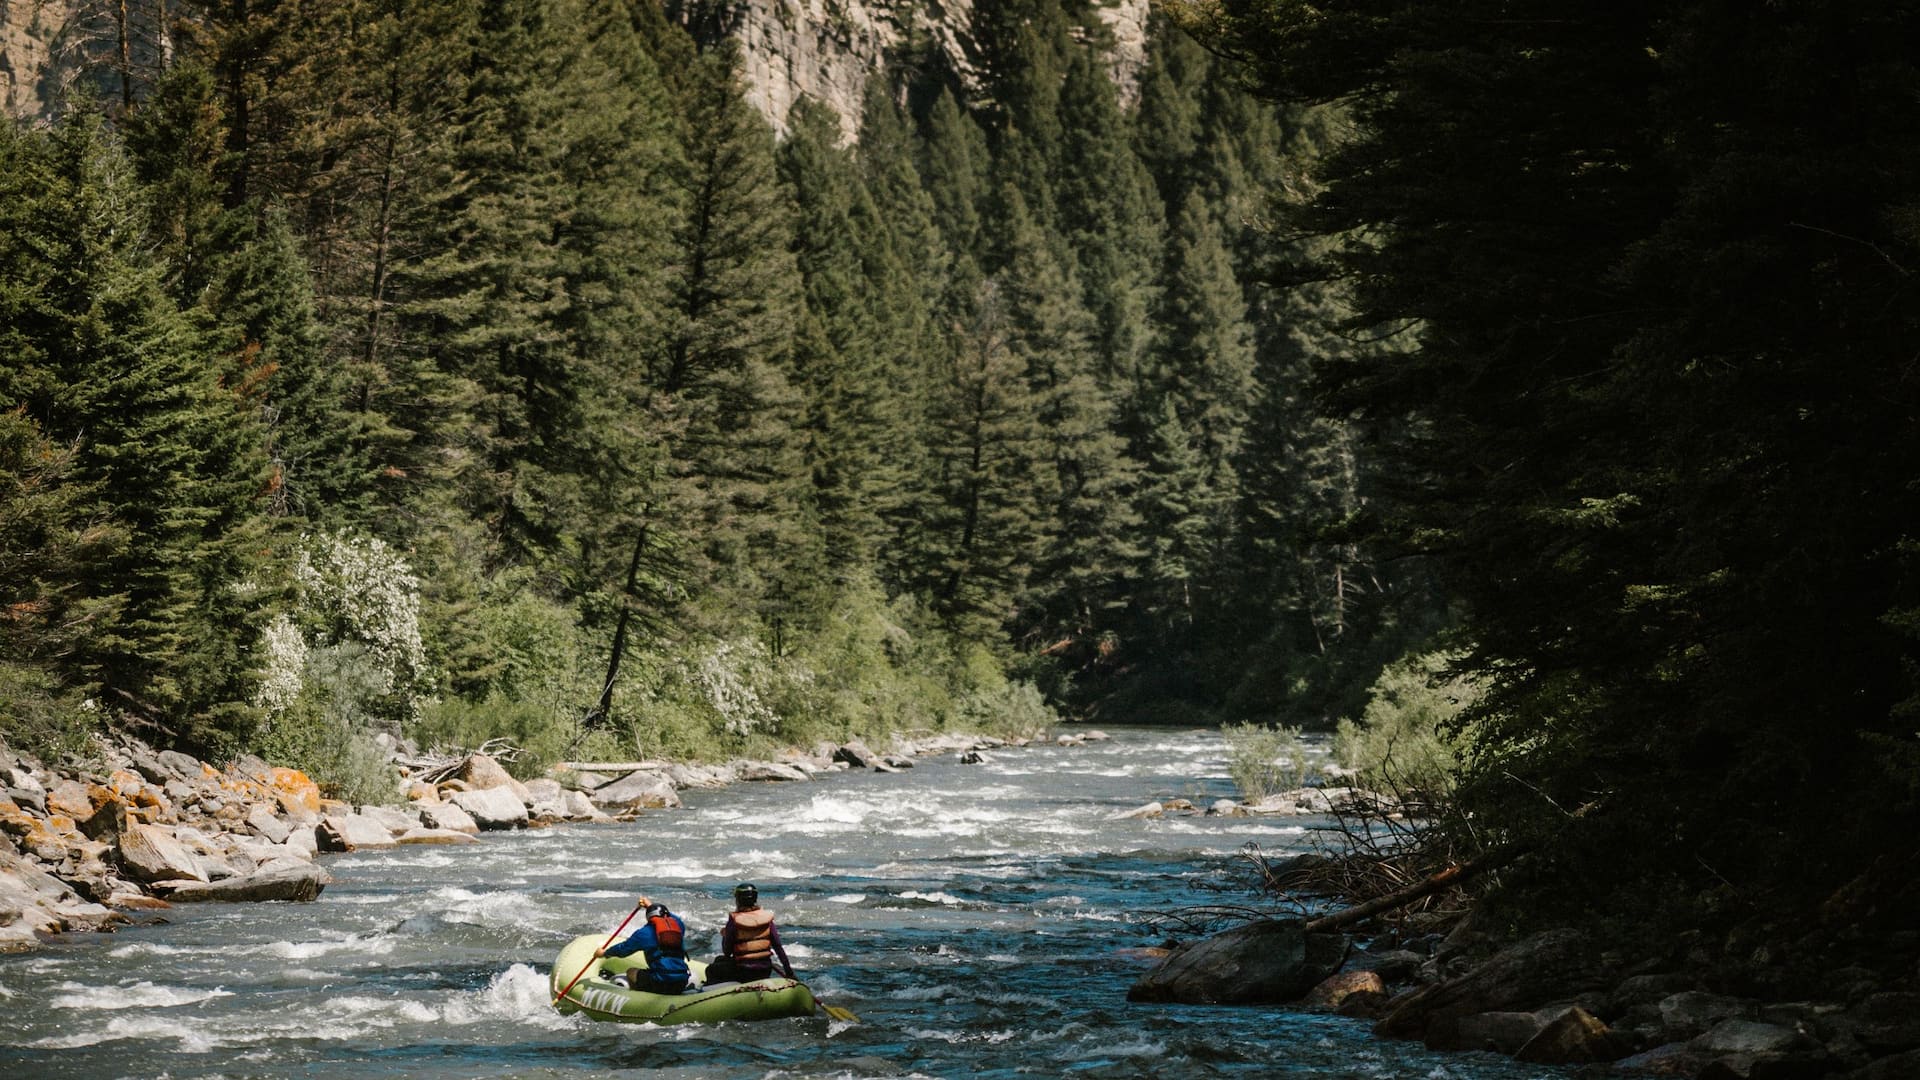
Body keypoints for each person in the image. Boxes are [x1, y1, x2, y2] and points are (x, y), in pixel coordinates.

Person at [595, 896, 691, 994]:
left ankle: (637, 998)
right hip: (682, 981)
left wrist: (605, 953)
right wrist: (650, 906)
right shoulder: (679, 927)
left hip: (661, 981)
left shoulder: (645, 933)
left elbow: (623, 950)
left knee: (631, 972)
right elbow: (672, 917)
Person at [705, 882, 795, 984]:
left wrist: (725, 935)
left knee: (711, 970)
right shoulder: (766, 919)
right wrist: (789, 972)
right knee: (719, 960)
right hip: (765, 971)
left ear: (738, 900)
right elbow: (778, 948)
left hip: (743, 972)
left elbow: (727, 952)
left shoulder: (734, 920)